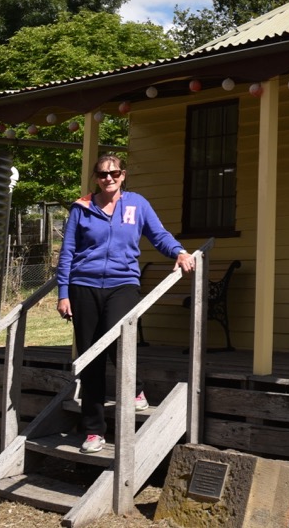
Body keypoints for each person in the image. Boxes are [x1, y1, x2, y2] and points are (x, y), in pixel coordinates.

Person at [56, 153, 195, 454]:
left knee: (118, 338)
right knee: (90, 358)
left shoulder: (137, 204)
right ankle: (93, 431)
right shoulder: (81, 208)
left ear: (123, 175)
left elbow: (158, 235)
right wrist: (63, 293)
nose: (109, 178)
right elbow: (67, 252)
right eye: (103, 174)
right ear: (96, 178)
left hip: (123, 284)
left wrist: (179, 252)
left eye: (114, 173)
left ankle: (135, 388)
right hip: (84, 286)